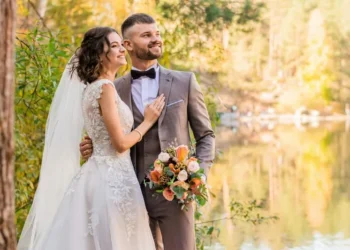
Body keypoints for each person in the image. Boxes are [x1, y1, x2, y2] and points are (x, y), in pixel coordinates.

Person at [17, 27, 165, 250]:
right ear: (99, 54)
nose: (121, 49)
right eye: (114, 46)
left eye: (120, 44)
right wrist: (148, 120)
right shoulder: (105, 88)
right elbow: (120, 144)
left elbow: (102, 135)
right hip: (112, 180)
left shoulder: (92, 89)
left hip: (100, 174)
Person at [80, 14, 215, 250]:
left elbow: (206, 136)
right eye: (146, 35)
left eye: (157, 34)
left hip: (175, 193)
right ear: (127, 45)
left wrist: (198, 175)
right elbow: (109, 132)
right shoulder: (112, 86)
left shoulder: (185, 82)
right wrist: (92, 145)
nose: (155, 39)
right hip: (127, 192)